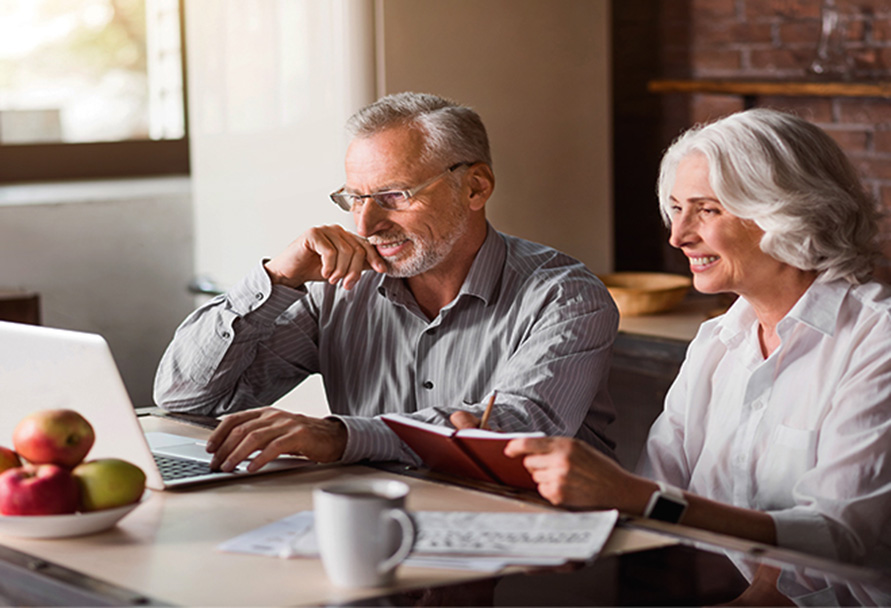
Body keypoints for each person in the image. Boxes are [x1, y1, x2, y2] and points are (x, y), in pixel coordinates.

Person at [498, 109, 891, 603]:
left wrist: (635, 497)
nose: (678, 235)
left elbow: (841, 539)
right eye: (677, 209)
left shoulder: (878, 341)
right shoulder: (716, 342)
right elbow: (649, 497)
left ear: (787, 212)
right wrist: (495, 465)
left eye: (706, 210)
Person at [153, 91, 619, 474]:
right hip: (380, 528)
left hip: (531, 548)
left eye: (393, 196)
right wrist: (277, 277)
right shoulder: (337, 290)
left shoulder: (565, 296)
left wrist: (340, 435)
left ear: (475, 187)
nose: (366, 224)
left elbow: (517, 433)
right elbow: (186, 397)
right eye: (355, 199)